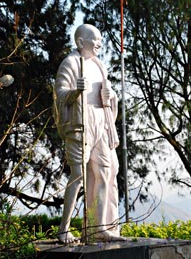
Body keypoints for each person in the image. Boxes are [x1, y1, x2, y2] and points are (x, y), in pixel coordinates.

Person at [54, 24, 123, 243]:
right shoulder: (71, 63)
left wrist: (111, 96)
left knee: (105, 174)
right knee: (78, 178)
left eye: (101, 40)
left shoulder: (100, 66)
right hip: (80, 127)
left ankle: (97, 227)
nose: (100, 44)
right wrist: (76, 92)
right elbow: (59, 94)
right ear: (81, 42)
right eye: (96, 40)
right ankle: (63, 228)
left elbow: (107, 97)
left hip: (101, 126)